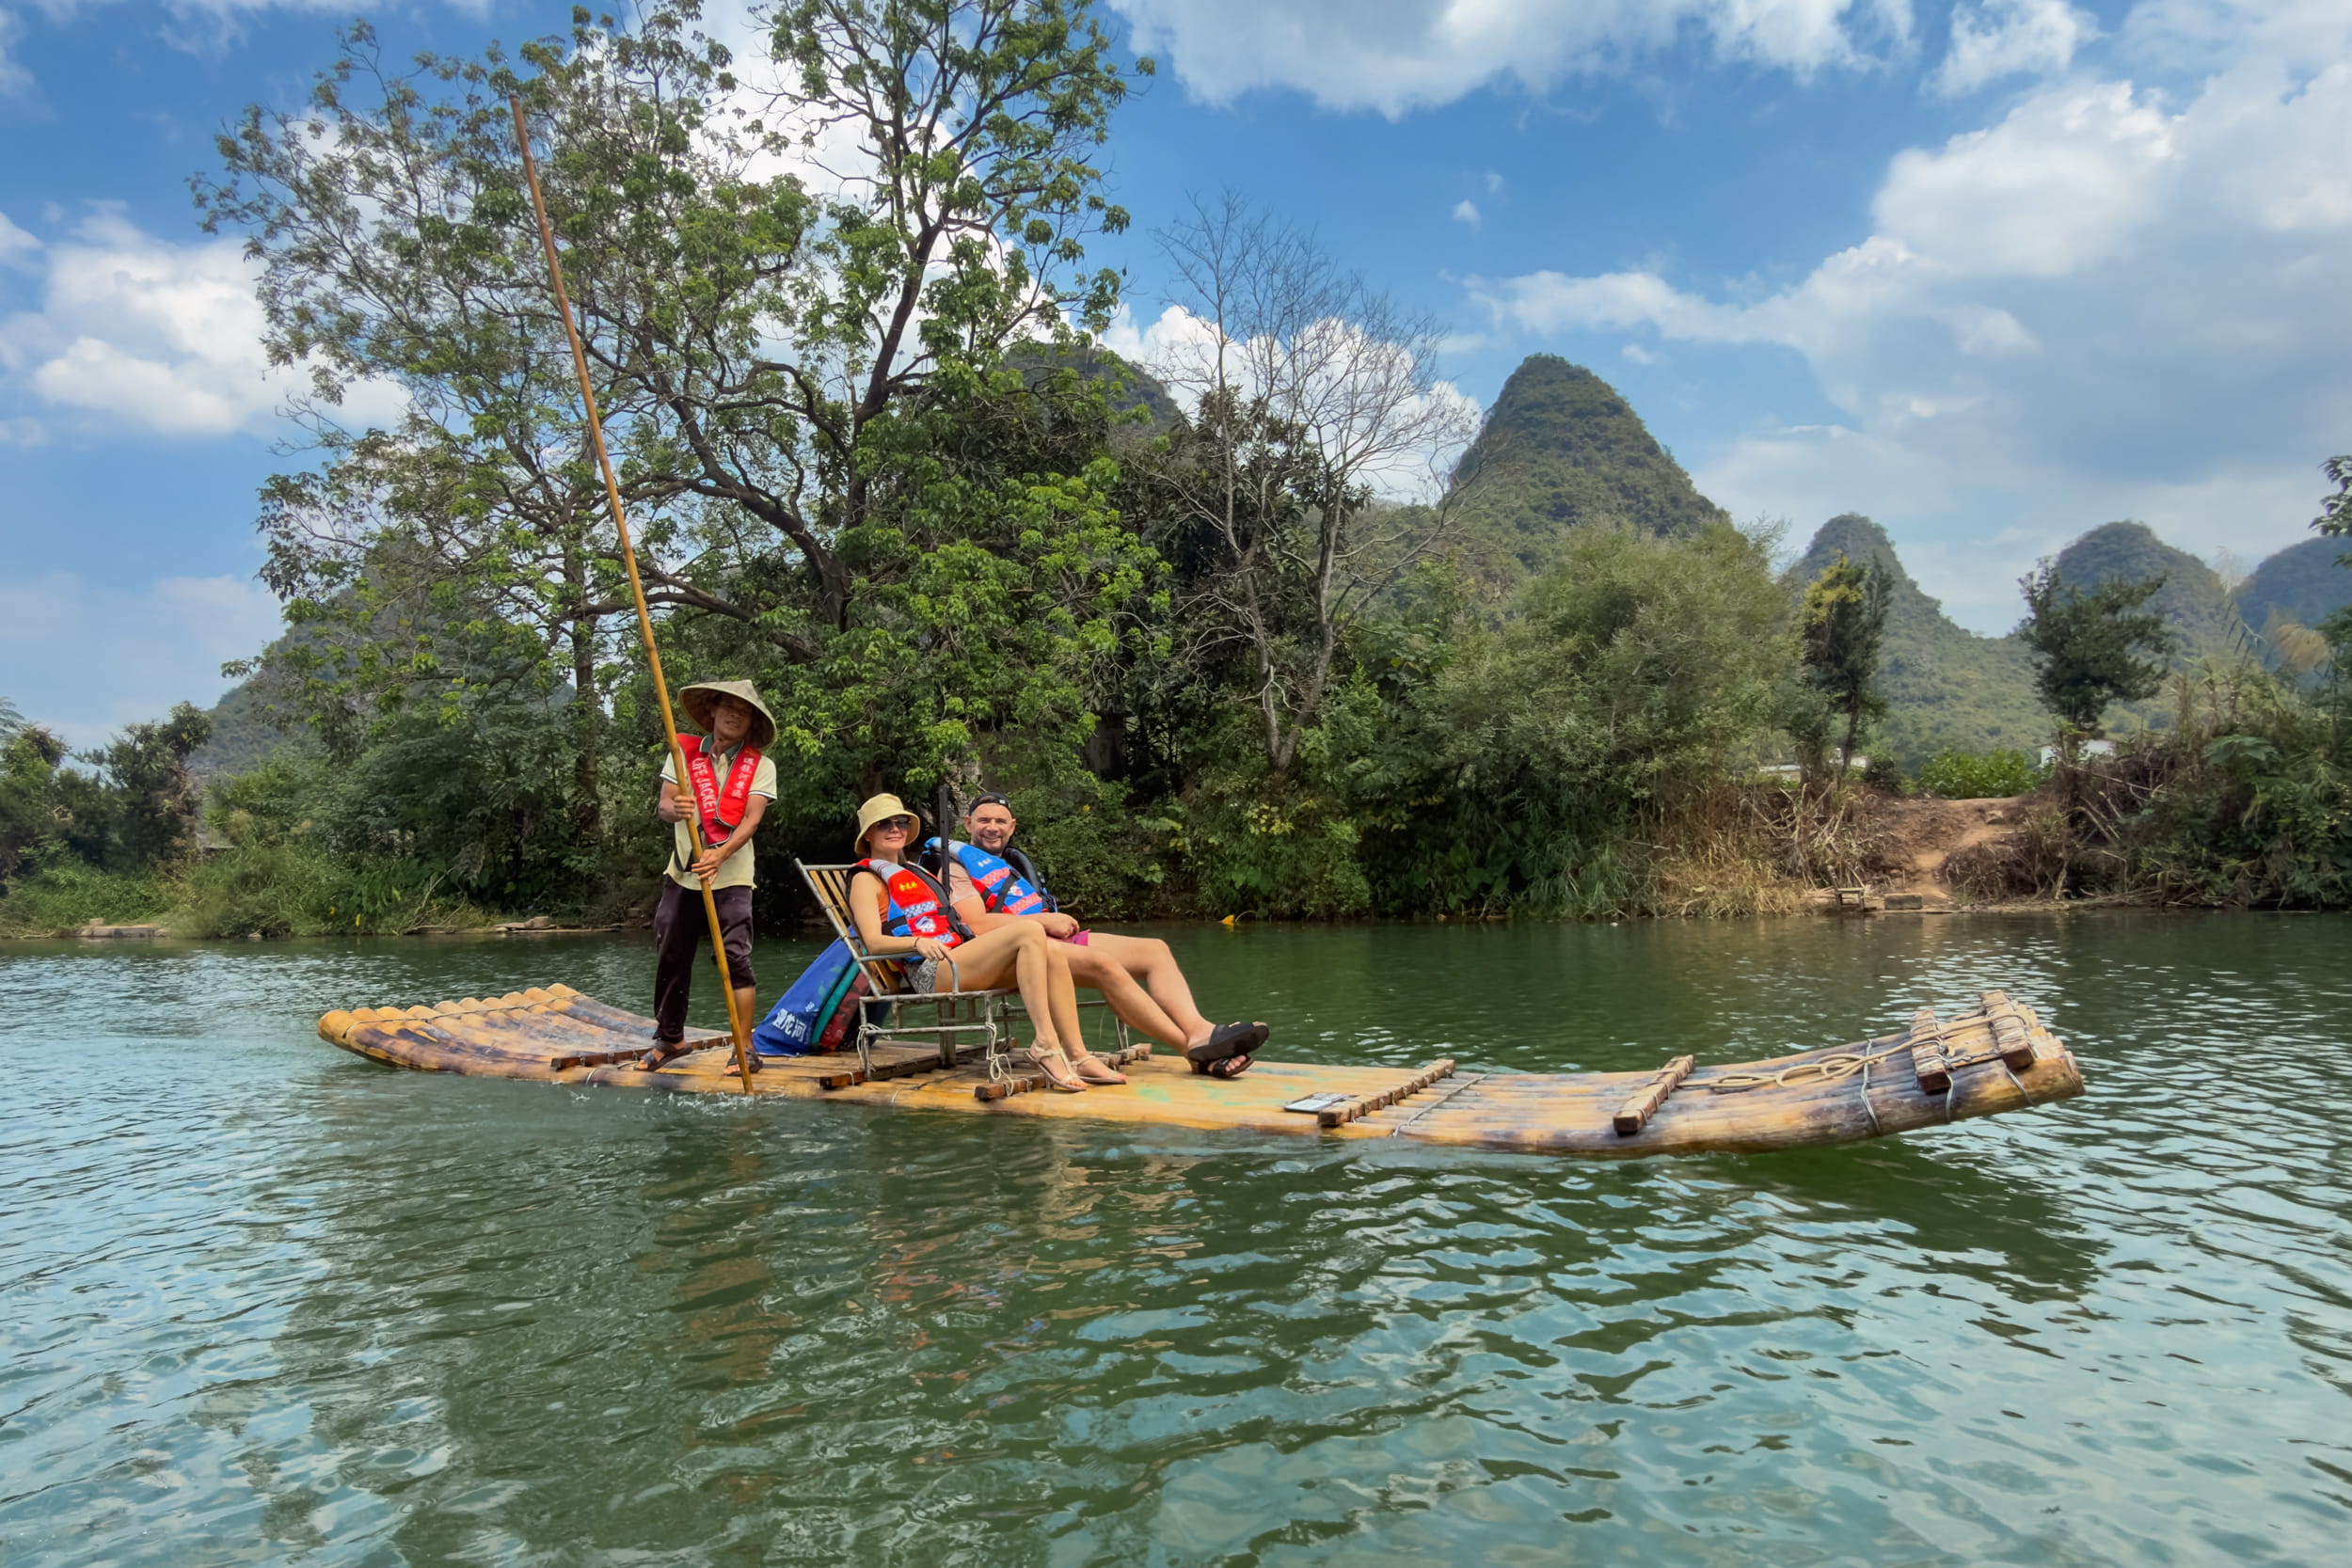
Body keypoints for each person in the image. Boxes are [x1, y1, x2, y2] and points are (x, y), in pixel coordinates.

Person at [936, 792, 1264, 1079]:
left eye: (1000, 821)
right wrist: (1044, 922)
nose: (992, 827)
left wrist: (1048, 923)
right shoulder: (956, 868)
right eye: (983, 820)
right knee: (1102, 963)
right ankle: (1193, 1051)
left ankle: (1199, 1030)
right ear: (967, 824)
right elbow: (974, 926)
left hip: (1049, 939)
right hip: (1015, 954)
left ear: (1012, 827)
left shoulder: (1010, 864)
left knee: (1155, 950)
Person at [846, 794, 1123, 1092]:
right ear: (869, 835)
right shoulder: (866, 879)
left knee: (1052, 951)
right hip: (930, 971)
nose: (895, 828)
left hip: (959, 959)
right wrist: (916, 943)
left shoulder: (918, 872)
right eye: (884, 824)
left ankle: (1078, 1054)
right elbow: (872, 943)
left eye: (900, 822)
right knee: (1029, 930)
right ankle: (1045, 1043)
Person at [641, 680, 777, 1070]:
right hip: (683, 872)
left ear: (750, 722)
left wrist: (721, 854)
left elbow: (751, 820)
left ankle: (744, 1046)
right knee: (671, 950)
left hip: (732, 874)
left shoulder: (760, 766)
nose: (735, 714)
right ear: (713, 711)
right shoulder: (682, 754)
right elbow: (664, 806)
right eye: (728, 707)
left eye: (744, 710)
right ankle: (670, 1038)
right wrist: (675, 807)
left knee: (736, 957)